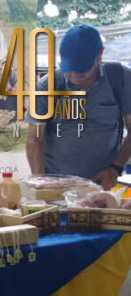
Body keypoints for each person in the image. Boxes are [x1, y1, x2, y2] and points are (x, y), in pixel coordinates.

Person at [26, 24, 131, 189]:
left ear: (100, 55)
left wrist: (116, 167)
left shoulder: (121, 78)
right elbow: (35, 140)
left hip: (103, 184)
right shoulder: (47, 86)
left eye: (82, 66)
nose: (74, 72)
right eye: (69, 66)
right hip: (57, 186)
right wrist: (42, 185)